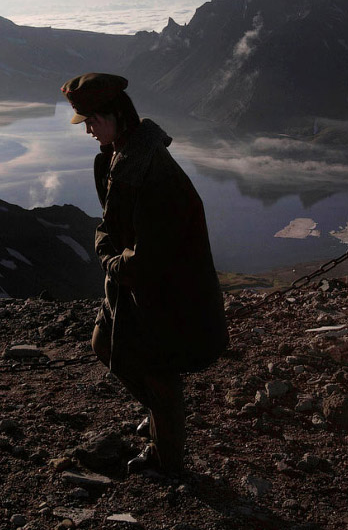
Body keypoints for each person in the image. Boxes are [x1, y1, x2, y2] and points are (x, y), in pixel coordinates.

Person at [62, 72, 229, 475]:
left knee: (158, 372)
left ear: (117, 115)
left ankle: (167, 460)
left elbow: (149, 255)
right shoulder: (118, 156)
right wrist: (109, 251)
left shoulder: (152, 171)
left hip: (164, 291)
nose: (88, 131)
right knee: (105, 345)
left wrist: (109, 261)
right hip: (133, 286)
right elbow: (111, 223)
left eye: (92, 122)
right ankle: (160, 415)